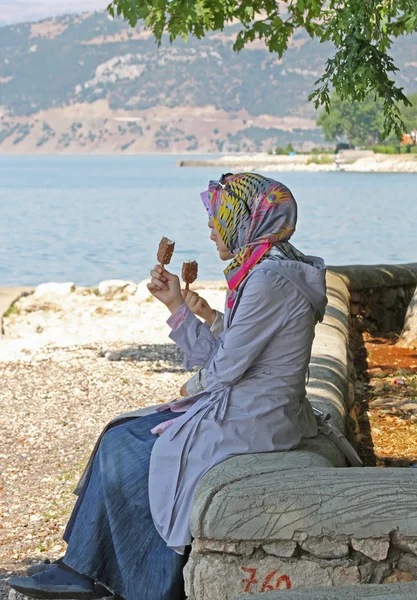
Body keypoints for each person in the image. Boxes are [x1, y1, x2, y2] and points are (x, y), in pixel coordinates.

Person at [9, 172, 327, 600]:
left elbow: (225, 367)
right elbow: (226, 354)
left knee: (129, 448)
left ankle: (141, 584)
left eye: (218, 217)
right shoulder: (265, 271)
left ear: (244, 219)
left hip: (252, 417)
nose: (212, 229)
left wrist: (192, 385)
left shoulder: (269, 280)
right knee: (119, 433)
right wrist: (179, 306)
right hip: (243, 406)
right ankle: (80, 566)